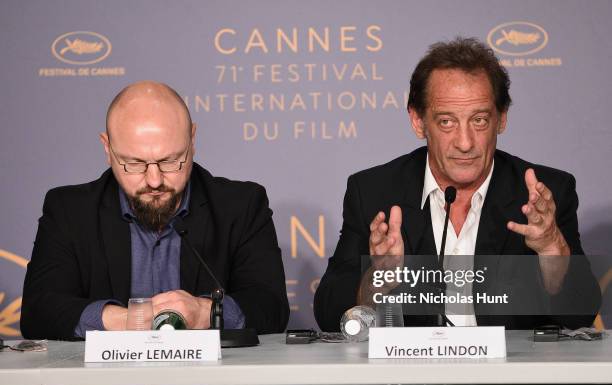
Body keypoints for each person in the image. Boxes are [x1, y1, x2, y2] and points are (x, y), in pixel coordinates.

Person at [314, 37, 601, 331]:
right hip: (412, 374)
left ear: (501, 119)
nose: (465, 143)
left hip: (512, 374)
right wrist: (377, 278)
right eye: (447, 122)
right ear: (418, 121)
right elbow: (328, 313)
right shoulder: (375, 191)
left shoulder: (543, 195)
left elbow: (580, 314)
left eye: (479, 120)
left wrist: (552, 248)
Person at [21, 81, 289, 339]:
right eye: (134, 163)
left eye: (169, 160)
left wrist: (203, 312)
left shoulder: (241, 206)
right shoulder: (69, 211)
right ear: (107, 148)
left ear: (192, 140)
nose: (154, 180)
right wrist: (125, 319)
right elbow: (38, 312)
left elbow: (271, 308)